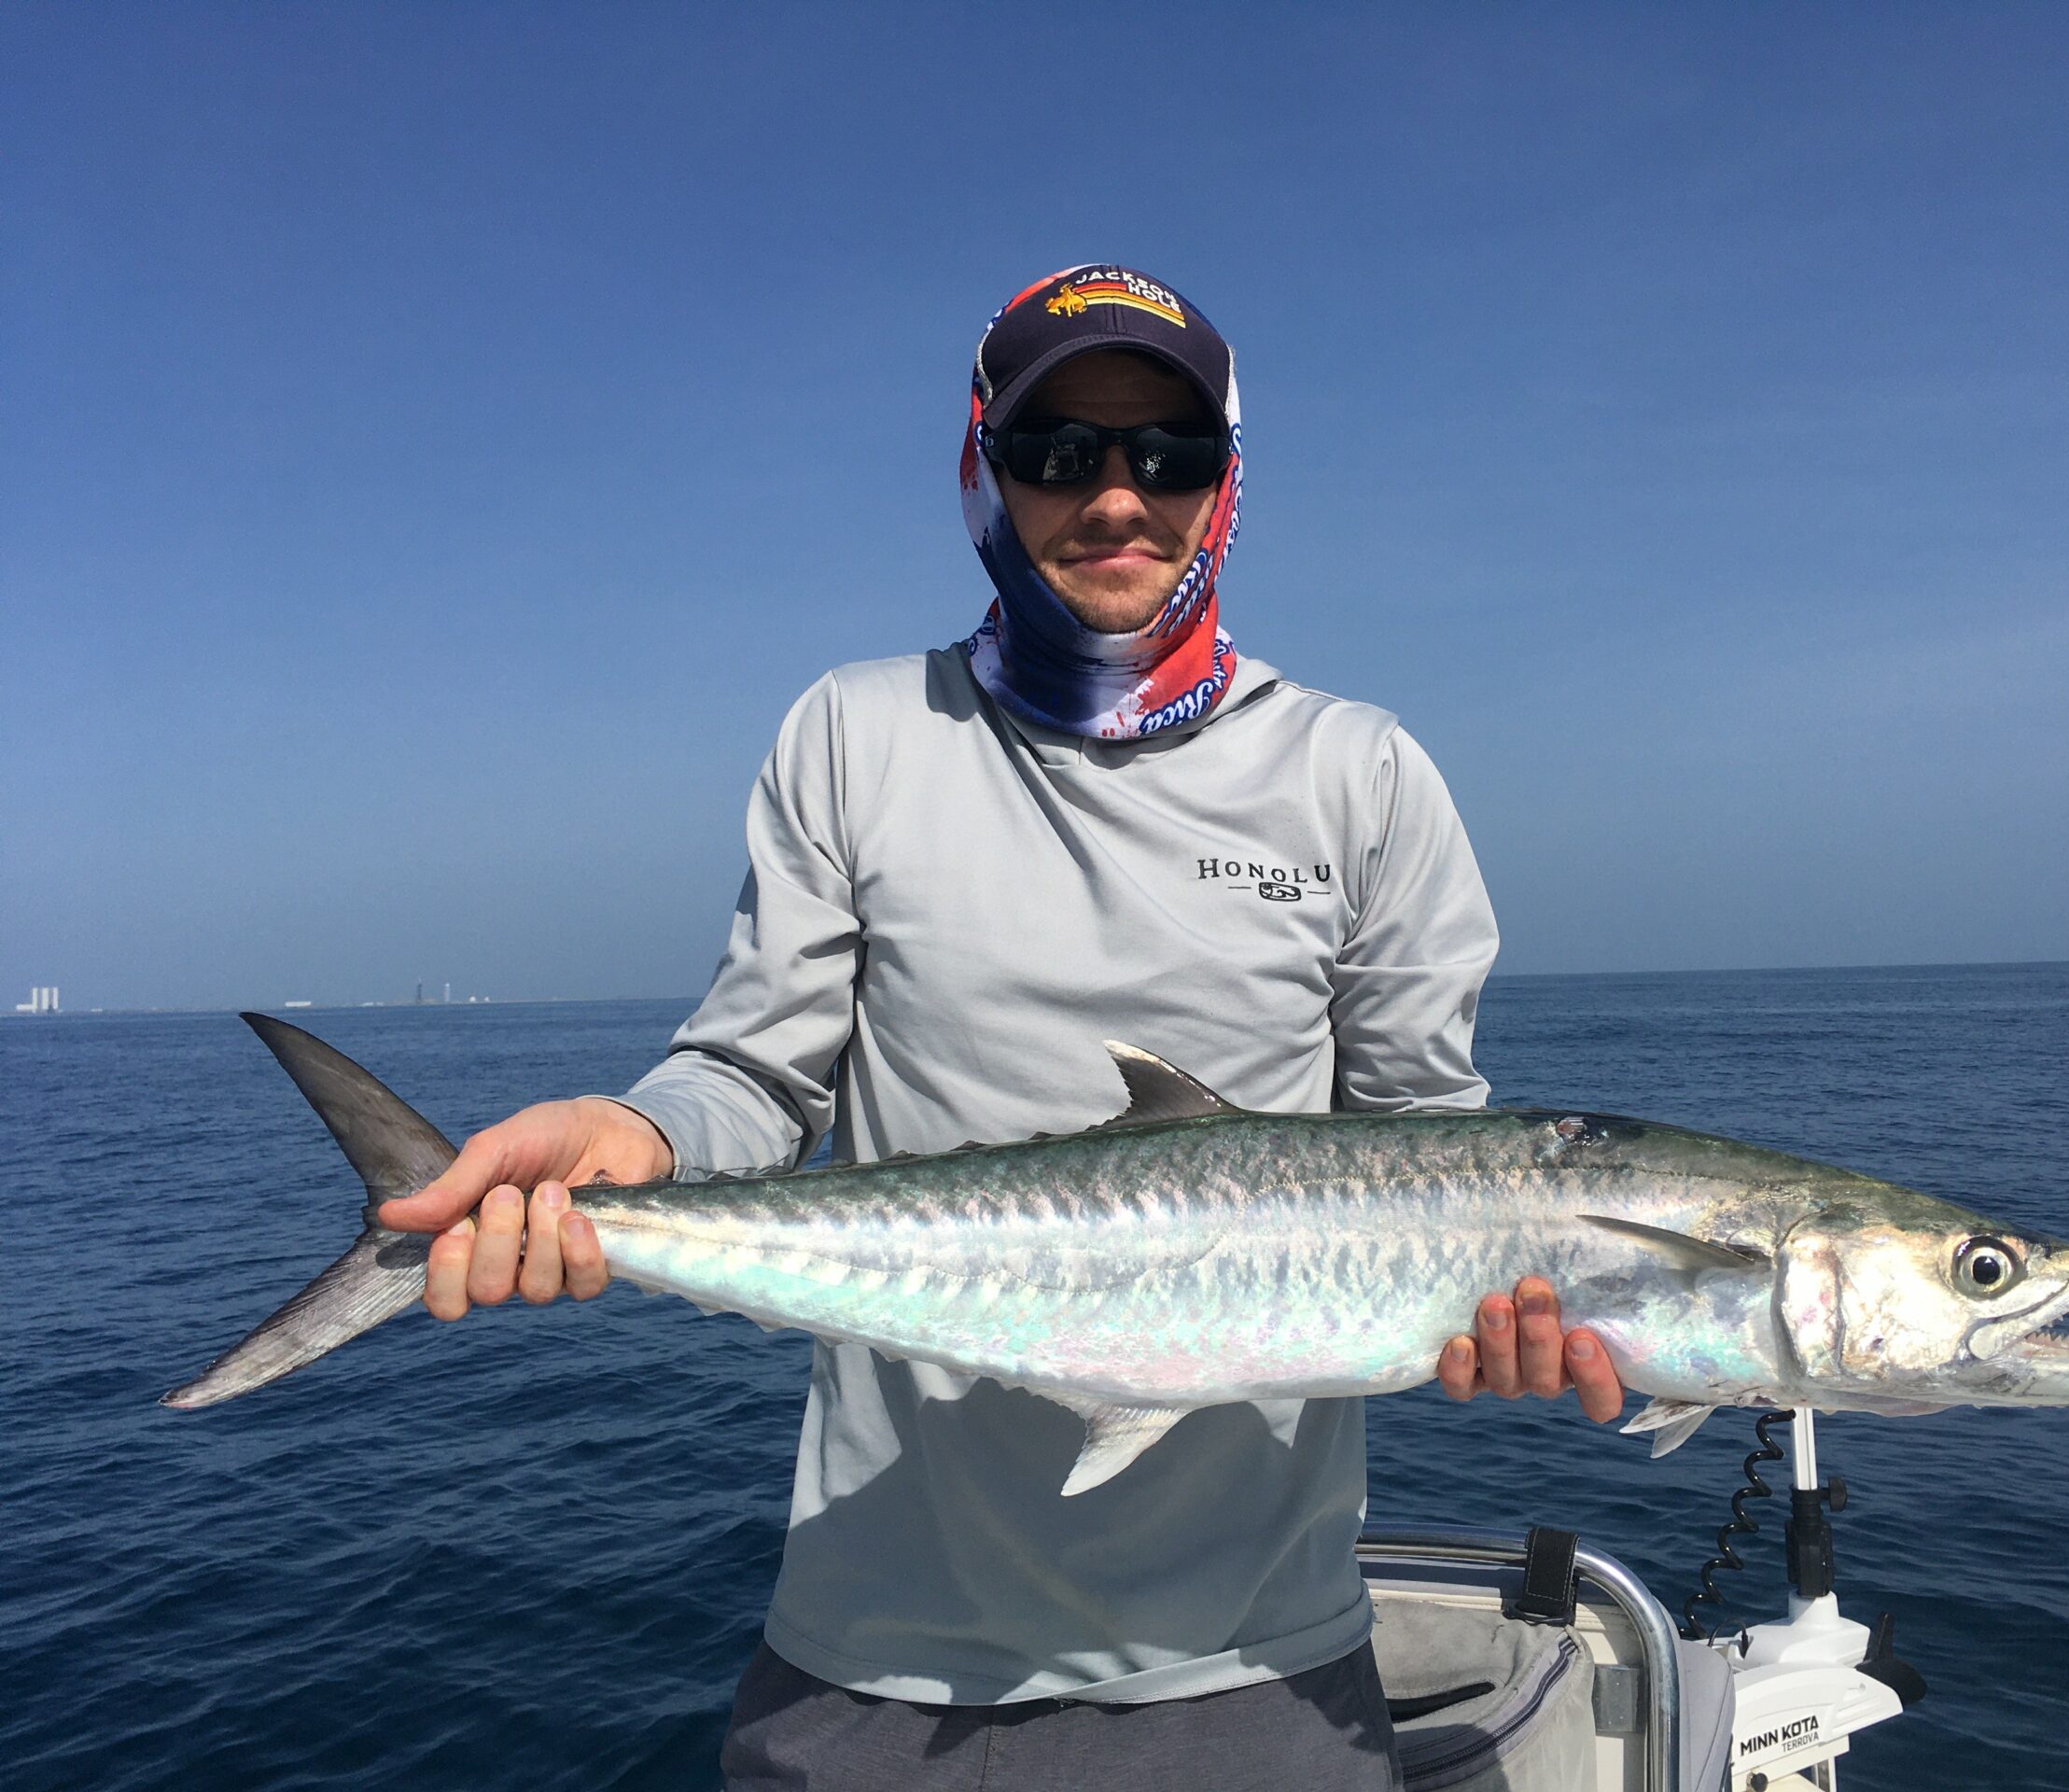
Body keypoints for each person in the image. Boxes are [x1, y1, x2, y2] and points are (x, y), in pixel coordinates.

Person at [380, 264, 1625, 1790]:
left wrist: (1518, 1304)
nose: (1117, 498)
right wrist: (639, 1141)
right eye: (1059, 454)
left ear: (1228, 485)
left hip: (1261, 1669)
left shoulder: (1361, 776)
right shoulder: (856, 735)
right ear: (983, 469)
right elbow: (754, 1071)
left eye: (1169, 456)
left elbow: (1434, 1153)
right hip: (875, 1662)